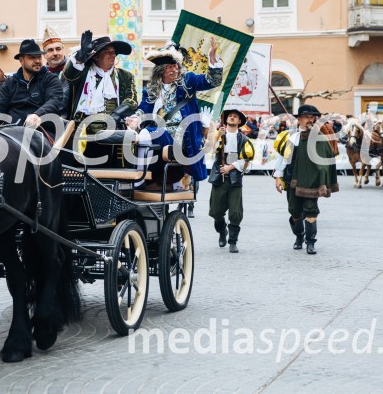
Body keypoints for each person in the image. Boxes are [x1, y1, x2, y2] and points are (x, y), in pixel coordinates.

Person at [136, 38, 223, 187]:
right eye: (170, 67)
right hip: (161, 135)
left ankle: (139, 179)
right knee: (142, 135)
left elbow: (212, 81)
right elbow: (143, 110)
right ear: (161, 70)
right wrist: (135, 118)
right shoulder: (150, 90)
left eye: (176, 65)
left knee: (146, 134)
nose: (175, 69)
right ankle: (143, 176)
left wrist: (213, 59)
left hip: (184, 138)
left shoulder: (188, 81)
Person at [273, 105, 339, 255]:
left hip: (311, 182)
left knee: (311, 211)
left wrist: (323, 177)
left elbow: (328, 158)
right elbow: (283, 159)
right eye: (306, 117)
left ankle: (310, 242)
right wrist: (278, 177)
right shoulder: (291, 138)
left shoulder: (319, 138)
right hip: (292, 180)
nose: (310, 119)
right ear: (299, 119)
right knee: (295, 212)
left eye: (312, 117)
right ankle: (299, 236)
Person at [64, 31, 137, 164]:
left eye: (114, 52)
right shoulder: (83, 73)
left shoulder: (125, 76)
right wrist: (80, 55)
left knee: (112, 169)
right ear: (96, 56)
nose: (113, 55)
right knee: (81, 170)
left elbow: (131, 100)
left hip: (113, 133)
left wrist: (115, 115)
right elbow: (69, 74)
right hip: (83, 132)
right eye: (108, 52)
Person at [0, 39, 64, 133]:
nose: (37, 61)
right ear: (21, 60)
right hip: (12, 131)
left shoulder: (50, 79)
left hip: (42, 130)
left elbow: (54, 100)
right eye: (32, 57)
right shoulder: (10, 82)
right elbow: (0, 105)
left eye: (39, 57)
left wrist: (37, 114)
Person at [208, 108, 255, 254]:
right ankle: (222, 231)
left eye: (235, 116)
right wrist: (217, 136)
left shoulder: (244, 140)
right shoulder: (218, 135)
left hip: (235, 179)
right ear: (226, 120)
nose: (232, 117)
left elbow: (246, 160)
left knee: (235, 212)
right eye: (230, 116)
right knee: (216, 212)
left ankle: (233, 242)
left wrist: (230, 167)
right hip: (219, 177)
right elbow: (209, 151)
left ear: (240, 121)